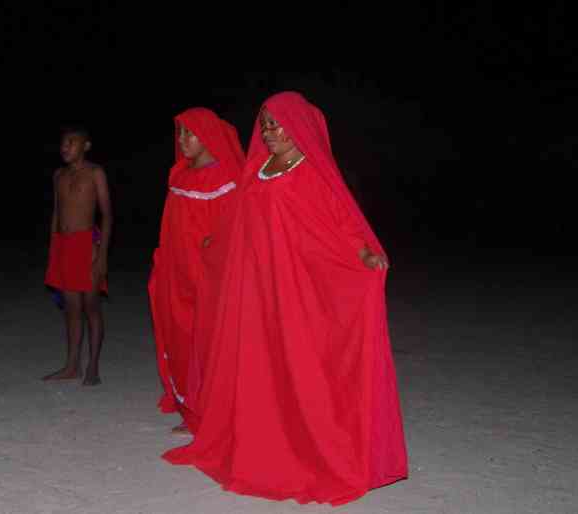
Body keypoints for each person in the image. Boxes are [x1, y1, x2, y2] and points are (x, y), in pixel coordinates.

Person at [163, 91, 408, 505]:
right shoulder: (257, 169)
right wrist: (215, 246)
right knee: (261, 362)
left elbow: (340, 222)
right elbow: (239, 221)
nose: (269, 132)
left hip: (296, 287)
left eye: (276, 124)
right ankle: (259, 442)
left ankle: (307, 449)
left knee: (299, 364)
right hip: (257, 288)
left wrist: (363, 252)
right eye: (264, 124)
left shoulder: (310, 171)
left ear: (299, 127)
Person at [149, 108, 244, 434]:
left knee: (212, 341)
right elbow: (170, 228)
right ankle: (191, 406)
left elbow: (233, 233)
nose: (182, 140)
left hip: (210, 279)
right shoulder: (179, 175)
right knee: (182, 337)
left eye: (190, 133)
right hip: (178, 275)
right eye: (179, 133)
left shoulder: (228, 179)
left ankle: (214, 412)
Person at [43, 125, 112, 386]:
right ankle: (72, 366)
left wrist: (102, 254)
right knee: (71, 310)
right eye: (63, 143)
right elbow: (56, 213)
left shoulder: (96, 173)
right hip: (64, 244)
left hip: (87, 244)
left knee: (90, 307)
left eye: (72, 142)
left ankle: (92, 365)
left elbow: (106, 214)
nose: (65, 147)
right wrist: (54, 248)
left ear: (86, 146)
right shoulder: (58, 175)